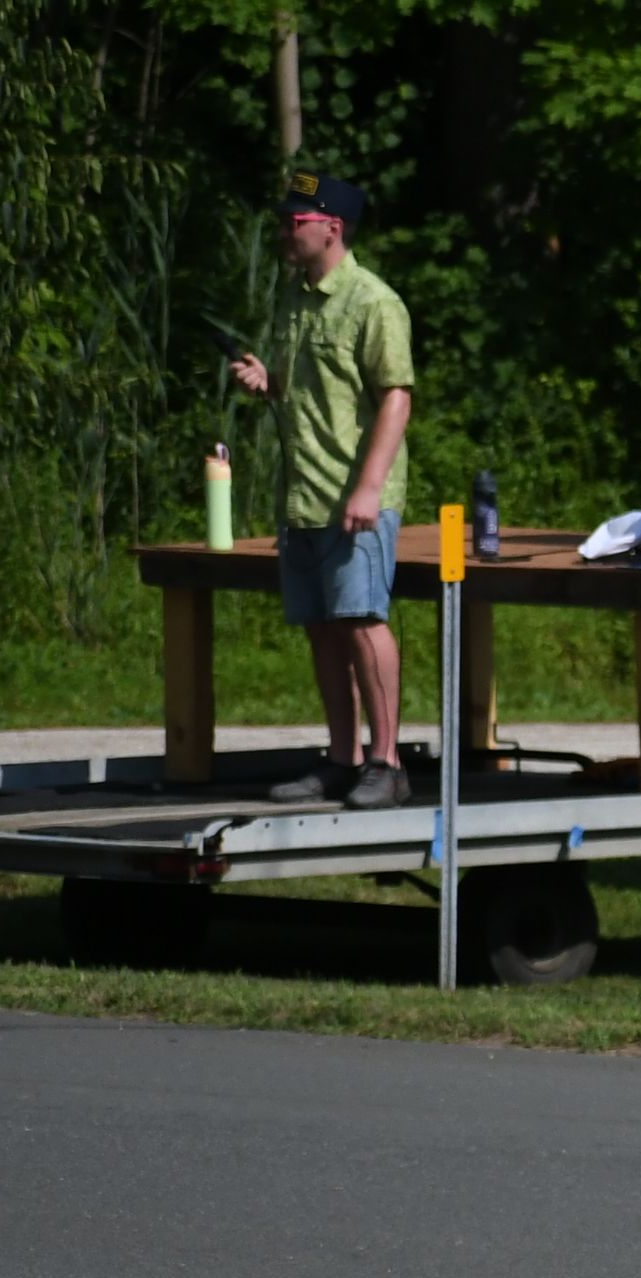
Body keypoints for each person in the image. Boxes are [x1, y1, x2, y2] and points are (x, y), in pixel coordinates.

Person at [230, 171, 416, 810]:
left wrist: (368, 488)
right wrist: (266, 381)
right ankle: (342, 758)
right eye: (284, 220)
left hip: (354, 498)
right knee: (322, 627)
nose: (285, 231)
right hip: (303, 493)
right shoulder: (292, 297)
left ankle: (386, 763)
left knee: (362, 621)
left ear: (331, 226)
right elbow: (303, 389)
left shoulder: (373, 301)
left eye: (296, 221)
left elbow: (396, 397)